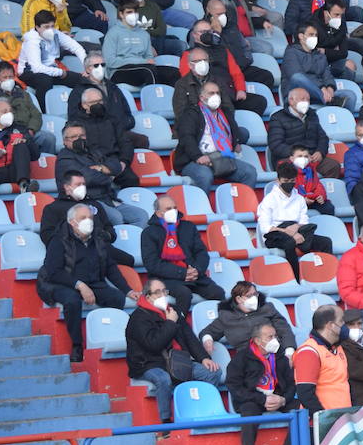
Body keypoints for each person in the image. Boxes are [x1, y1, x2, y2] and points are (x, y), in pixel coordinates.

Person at [38, 204, 131, 362]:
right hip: (60, 283)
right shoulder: (58, 240)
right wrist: (79, 285)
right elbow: (54, 272)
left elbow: (110, 267)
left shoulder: (98, 239)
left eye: (90, 218)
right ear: (72, 222)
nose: (88, 221)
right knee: (72, 301)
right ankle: (77, 345)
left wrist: (127, 290)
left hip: (92, 281)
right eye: (83, 218)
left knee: (117, 298)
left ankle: (106, 335)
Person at [126, 279, 223, 427]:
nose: (162, 295)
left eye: (164, 291)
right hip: (148, 363)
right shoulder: (138, 318)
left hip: (177, 360)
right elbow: (154, 345)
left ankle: (203, 411)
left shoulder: (173, 311)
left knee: (212, 372)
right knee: (163, 379)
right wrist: (170, 323)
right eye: (157, 292)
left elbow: (189, 337)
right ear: (147, 296)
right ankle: (166, 422)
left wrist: (204, 358)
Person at [225, 320, 297, 445]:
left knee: (300, 408)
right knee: (249, 411)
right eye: (269, 337)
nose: (274, 340)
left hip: (277, 397)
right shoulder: (242, 358)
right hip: (253, 399)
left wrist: (283, 399)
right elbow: (234, 386)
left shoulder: (280, 357)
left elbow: (292, 383)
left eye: (275, 336)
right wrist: (262, 399)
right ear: (257, 340)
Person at [172, 81, 260, 192]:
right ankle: (203, 208)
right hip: (195, 160)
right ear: (202, 97)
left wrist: (235, 142)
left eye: (217, 93)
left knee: (249, 172)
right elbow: (186, 137)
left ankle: (244, 205)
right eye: (211, 93)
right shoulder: (191, 113)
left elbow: (234, 131)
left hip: (222, 158)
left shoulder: (225, 112)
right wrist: (198, 156)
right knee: (204, 175)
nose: (215, 96)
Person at [141, 195, 225, 309]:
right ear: (158, 213)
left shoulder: (188, 227)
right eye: (168, 209)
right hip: (166, 278)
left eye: (174, 208)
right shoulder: (149, 233)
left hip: (194, 275)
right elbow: (152, 264)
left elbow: (201, 253)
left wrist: (196, 270)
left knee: (217, 292)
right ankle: (179, 324)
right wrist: (182, 273)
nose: (173, 211)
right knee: (184, 294)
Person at [55, 124, 147, 225]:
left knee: (141, 216)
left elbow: (116, 165)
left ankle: (133, 240)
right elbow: (88, 178)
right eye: (74, 137)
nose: (79, 139)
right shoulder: (64, 158)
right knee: (116, 218)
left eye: (82, 136)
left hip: (108, 199)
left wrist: (100, 168)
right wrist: (108, 175)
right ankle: (117, 240)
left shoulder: (93, 151)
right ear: (65, 141)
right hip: (85, 201)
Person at [256, 162, 332, 281]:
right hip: (275, 234)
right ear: (278, 180)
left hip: (297, 229)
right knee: (289, 242)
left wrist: (295, 228)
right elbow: (265, 228)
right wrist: (289, 232)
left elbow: (304, 221)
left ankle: (327, 275)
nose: (289, 184)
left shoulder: (299, 199)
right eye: (285, 180)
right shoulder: (269, 200)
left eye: (292, 180)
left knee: (325, 242)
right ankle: (295, 279)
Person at [199, 281, 296, 355]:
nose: (254, 298)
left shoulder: (267, 308)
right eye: (249, 296)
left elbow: (284, 330)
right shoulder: (227, 316)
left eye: (255, 294)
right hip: (247, 358)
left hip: (274, 352)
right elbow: (207, 332)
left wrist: (289, 350)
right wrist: (207, 339)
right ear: (239, 299)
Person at [0, 62, 54, 154]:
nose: (8, 80)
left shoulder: (23, 94)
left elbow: (36, 114)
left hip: (26, 131)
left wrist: (31, 130)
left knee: (47, 138)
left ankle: (43, 165)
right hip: (5, 134)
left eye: (10, 77)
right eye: (5, 77)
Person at [267, 89, 343, 178]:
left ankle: (322, 191)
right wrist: (297, 155)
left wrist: (320, 152)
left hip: (312, 157)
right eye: (303, 99)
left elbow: (323, 137)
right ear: (291, 100)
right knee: (291, 170)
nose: (306, 102)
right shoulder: (277, 118)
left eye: (308, 100)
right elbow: (275, 145)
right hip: (289, 158)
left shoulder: (312, 114)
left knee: (333, 166)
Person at [292, 305, 352, 413]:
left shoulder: (338, 348)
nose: (345, 325)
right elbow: (305, 394)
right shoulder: (309, 352)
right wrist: (324, 420)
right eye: (342, 321)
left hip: (341, 420)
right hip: (321, 424)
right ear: (330, 325)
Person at [16, 9, 86, 100]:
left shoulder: (56, 33)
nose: (50, 30)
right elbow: (36, 68)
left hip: (51, 69)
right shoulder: (32, 41)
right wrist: (61, 72)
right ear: (37, 27)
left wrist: (87, 67)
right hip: (29, 72)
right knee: (45, 80)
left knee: (81, 79)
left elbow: (76, 47)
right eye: (46, 27)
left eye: (52, 26)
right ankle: (42, 109)